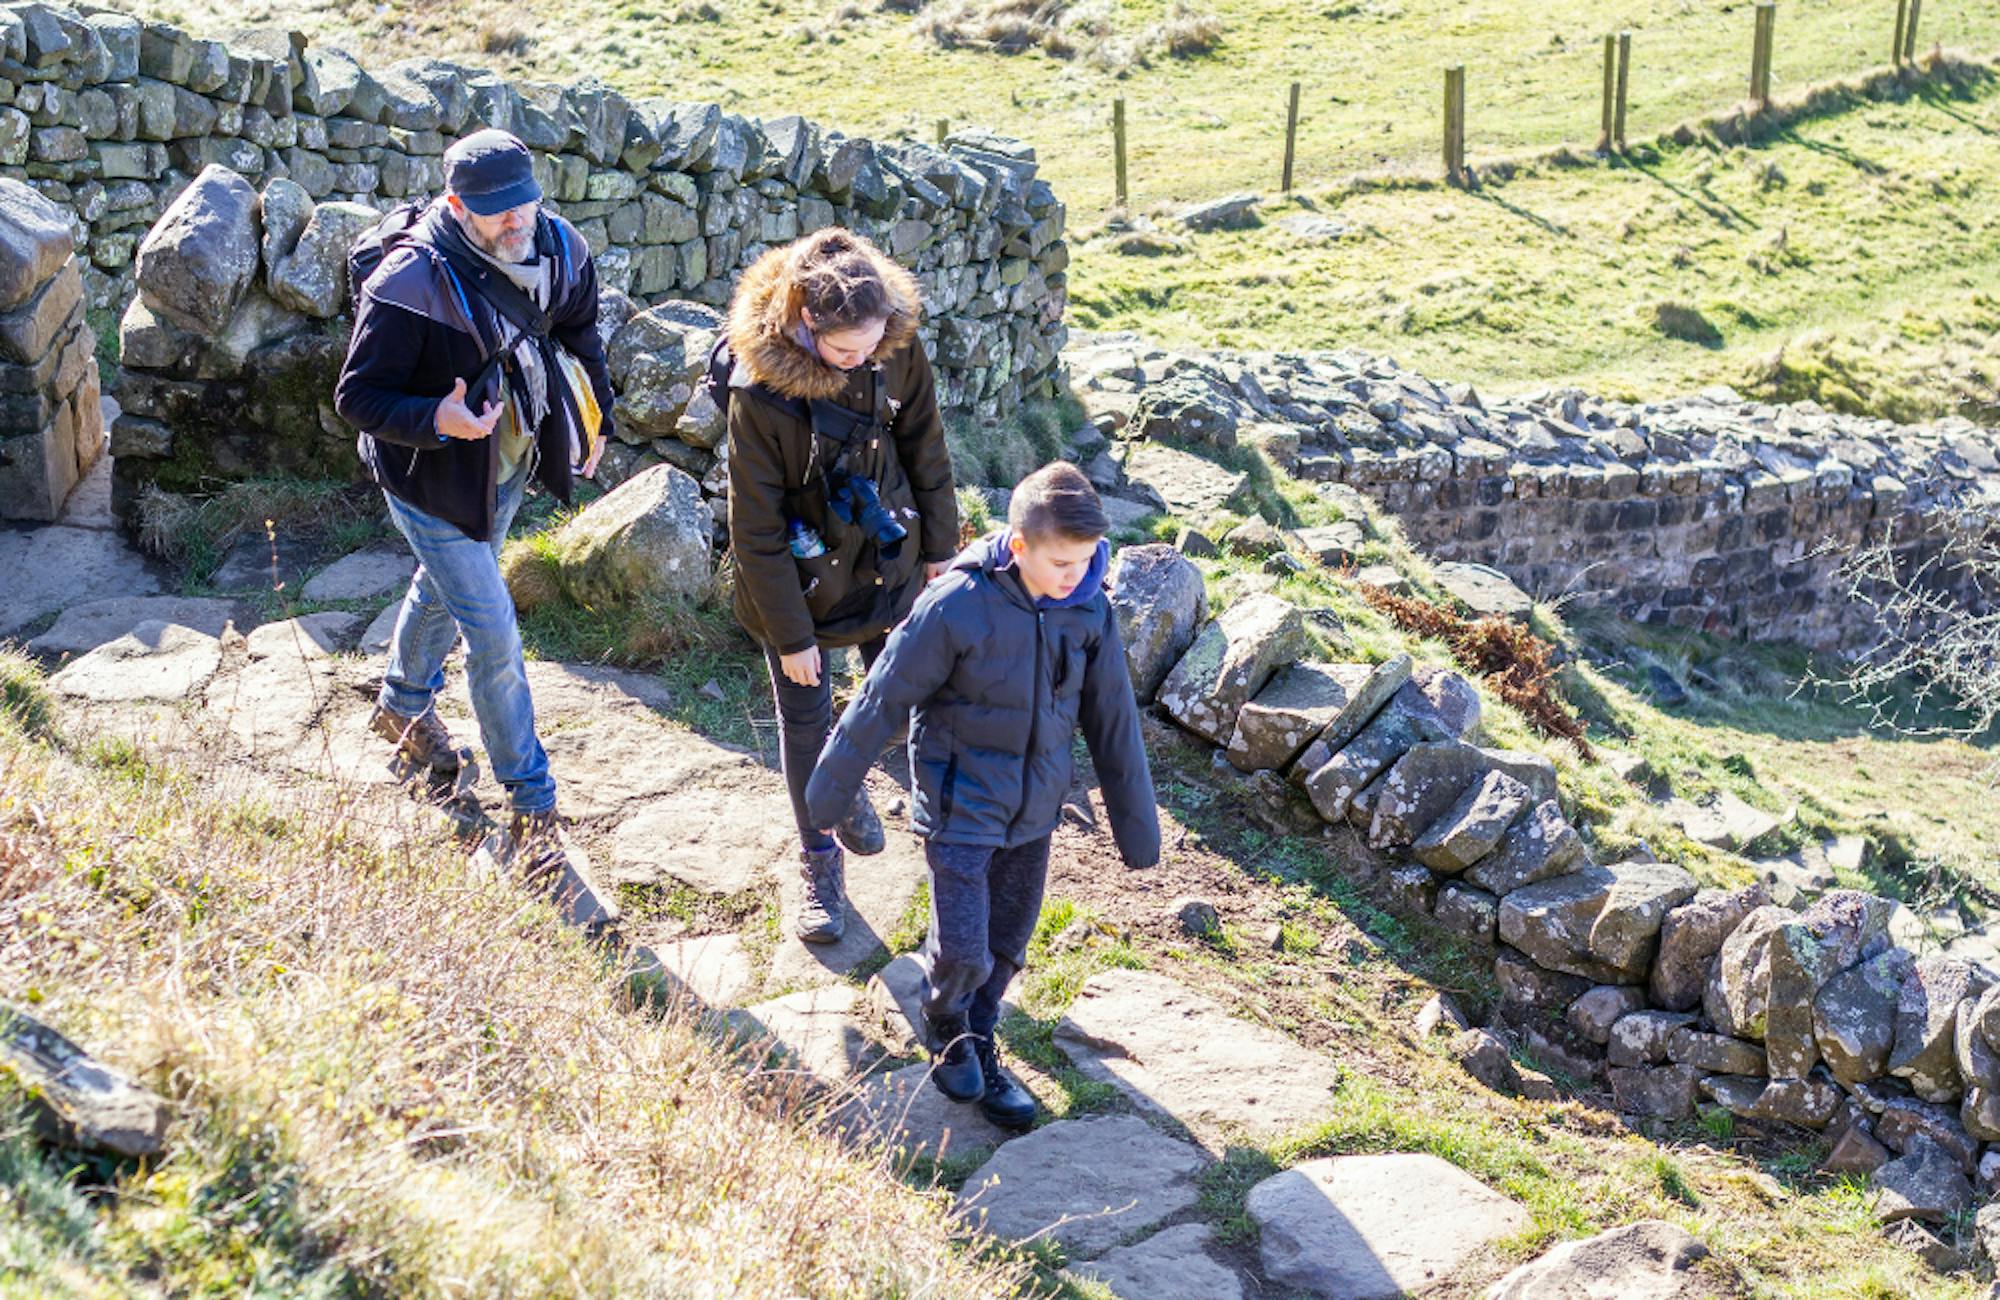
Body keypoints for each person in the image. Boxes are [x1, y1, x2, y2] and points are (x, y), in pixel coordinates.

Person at [803, 463, 1159, 1130]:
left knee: (1006, 946)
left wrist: (1136, 829)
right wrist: (828, 794)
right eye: (1061, 562)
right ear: (1020, 547)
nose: (1075, 575)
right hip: (959, 806)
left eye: (1086, 561)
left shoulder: (1088, 609)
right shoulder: (957, 605)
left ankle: (982, 1033)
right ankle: (946, 1022)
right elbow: (883, 699)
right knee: (964, 952)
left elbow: (1112, 717)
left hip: (1033, 813)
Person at [333, 128, 613, 874]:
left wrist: (598, 418)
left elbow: (583, 335)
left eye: (525, 204)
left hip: (510, 462)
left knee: (450, 587)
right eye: (497, 213)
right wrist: (437, 421)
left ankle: (401, 704)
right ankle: (532, 804)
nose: (517, 222)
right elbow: (356, 396)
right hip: (428, 480)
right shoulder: (409, 281)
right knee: (493, 634)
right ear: (457, 206)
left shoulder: (561, 250)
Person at [721, 228, 959, 945]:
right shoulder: (759, 397)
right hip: (801, 581)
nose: (863, 362)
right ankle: (818, 860)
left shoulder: (893, 345)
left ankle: (880, 798)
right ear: (803, 322)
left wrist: (942, 548)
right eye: (846, 352)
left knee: (908, 692)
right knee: (805, 718)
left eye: (873, 347)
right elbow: (755, 530)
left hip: (892, 552)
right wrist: (792, 637)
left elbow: (925, 440)